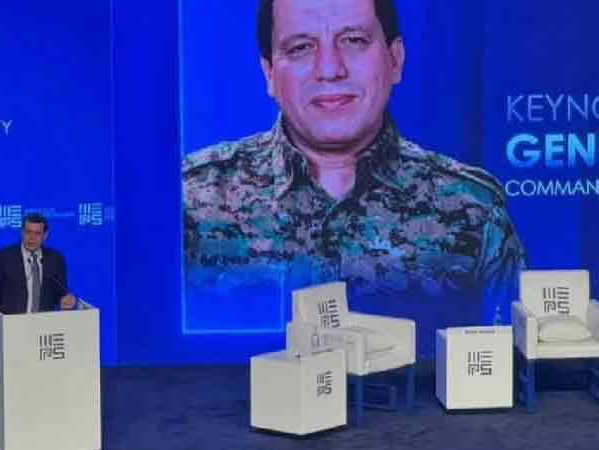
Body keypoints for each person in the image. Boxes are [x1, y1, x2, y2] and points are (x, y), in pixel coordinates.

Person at [183, 0, 525, 341]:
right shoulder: (191, 203)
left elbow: (510, 363)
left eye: (353, 41)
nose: (330, 69)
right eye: (301, 47)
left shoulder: (473, 211)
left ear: (395, 60)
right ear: (269, 73)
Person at [0, 213, 77, 314]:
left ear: (45, 235)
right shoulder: (3, 258)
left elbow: (59, 292)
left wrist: (65, 300)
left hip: (44, 321)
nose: (32, 238)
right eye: (28, 232)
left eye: (37, 233)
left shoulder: (55, 259)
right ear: (21, 232)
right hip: (12, 321)